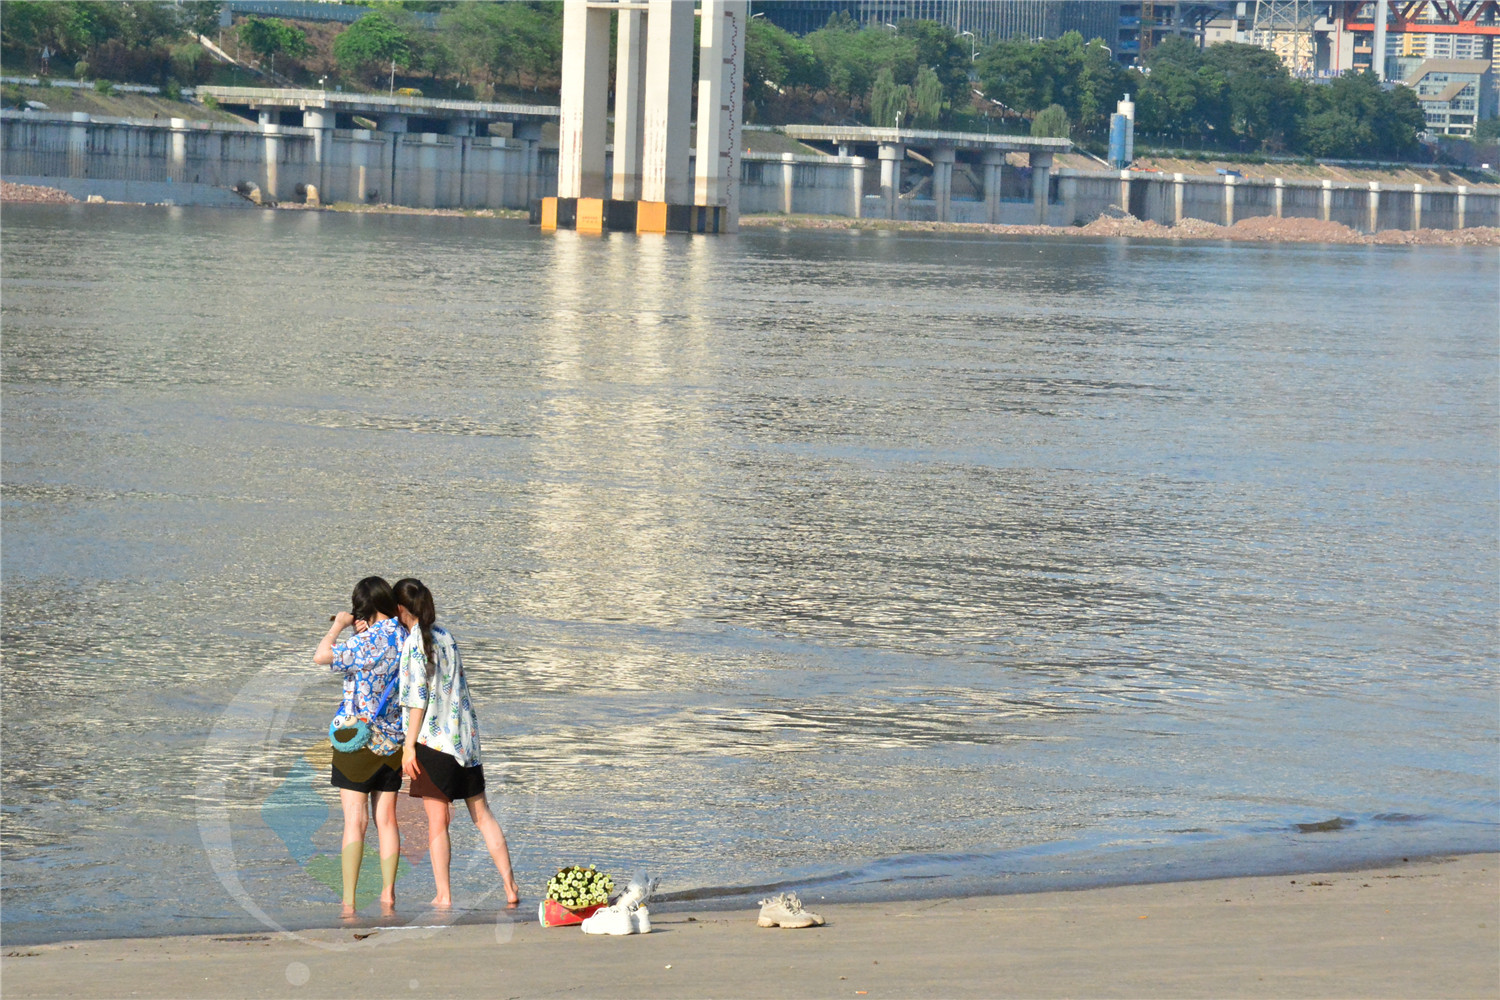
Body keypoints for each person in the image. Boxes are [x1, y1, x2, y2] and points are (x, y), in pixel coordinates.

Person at [394, 577, 521, 908]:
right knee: (483, 815)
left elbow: (417, 700)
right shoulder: (446, 637)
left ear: (399, 610)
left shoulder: (412, 644)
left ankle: (444, 894)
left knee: (437, 822)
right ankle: (510, 887)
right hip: (465, 739)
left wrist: (408, 746)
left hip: (432, 744)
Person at [313, 575, 408, 917]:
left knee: (355, 822)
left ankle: (349, 901)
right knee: (387, 821)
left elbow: (321, 656)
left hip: (357, 742)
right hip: (394, 741)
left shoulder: (362, 642)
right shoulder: (404, 636)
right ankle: (388, 895)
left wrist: (339, 625)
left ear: (362, 610)